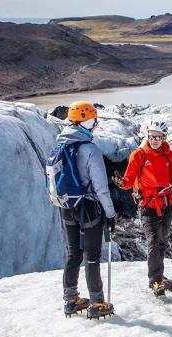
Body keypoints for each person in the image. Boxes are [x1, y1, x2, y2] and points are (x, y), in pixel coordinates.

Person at [112, 120, 172, 299]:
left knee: (161, 241)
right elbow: (129, 180)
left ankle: (158, 275)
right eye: (152, 136)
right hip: (148, 205)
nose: (155, 140)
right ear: (148, 136)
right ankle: (155, 280)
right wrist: (122, 183)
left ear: (164, 138)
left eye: (158, 137)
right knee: (153, 242)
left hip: (167, 203)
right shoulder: (139, 155)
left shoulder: (169, 155)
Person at [58, 101, 117, 320]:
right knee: (92, 257)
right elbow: (101, 188)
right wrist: (110, 214)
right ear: (89, 121)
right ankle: (97, 302)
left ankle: (70, 300)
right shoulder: (90, 149)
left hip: (67, 206)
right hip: (90, 208)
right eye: (94, 120)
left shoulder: (61, 145)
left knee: (74, 254)